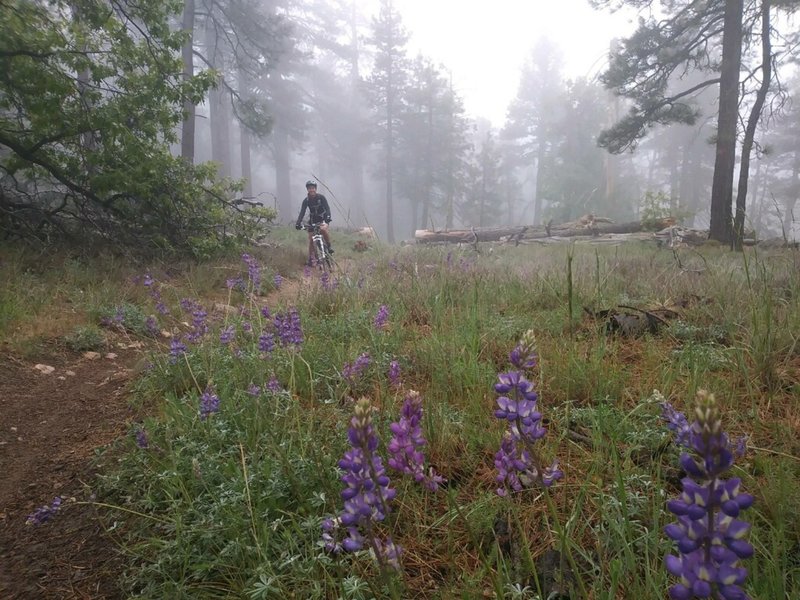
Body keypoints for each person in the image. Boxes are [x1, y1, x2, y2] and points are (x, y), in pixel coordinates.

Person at [295, 180, 333, 265]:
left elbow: (327, 209)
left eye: (313, 188)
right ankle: (311, 259)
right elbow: (302, 212)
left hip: (322, 219)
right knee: (311, 239)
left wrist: (327, 219)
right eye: (309, 188)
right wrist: (298, 223)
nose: (311, 190)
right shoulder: (306, 200)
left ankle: (329, 246)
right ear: (307, 190)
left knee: (323, 230)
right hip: (312, 221)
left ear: (315, 189)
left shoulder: (321, 198)